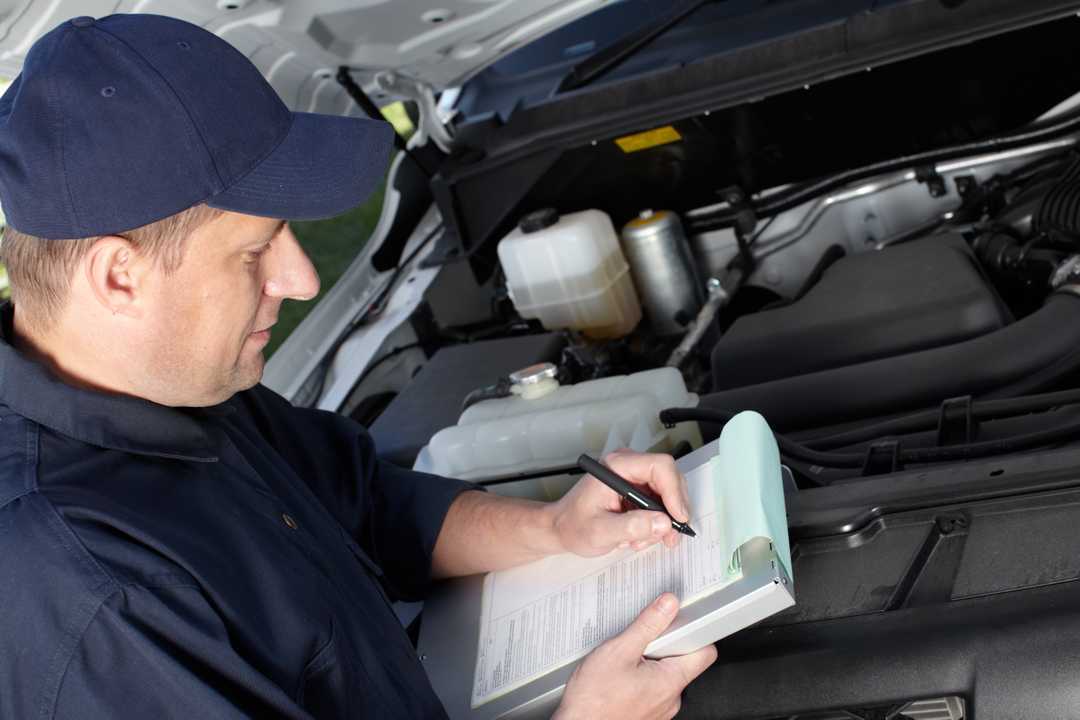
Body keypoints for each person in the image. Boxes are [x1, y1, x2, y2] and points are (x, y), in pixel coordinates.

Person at [0, 14, 715, 720]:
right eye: (256, 251)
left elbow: (366, 502)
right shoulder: (94, 596)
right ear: (120, 277)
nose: (302, 279)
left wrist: (553, 527)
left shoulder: (177, 382)